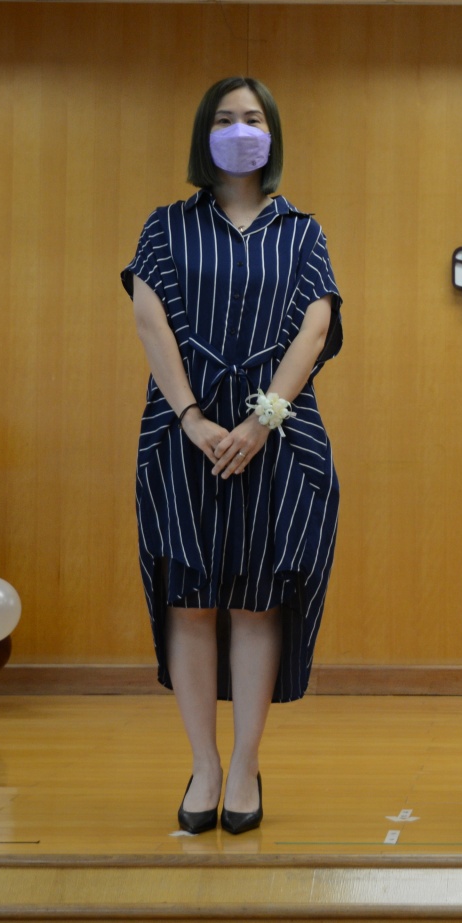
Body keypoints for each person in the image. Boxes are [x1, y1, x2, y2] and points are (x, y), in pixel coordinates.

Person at [123, 76, 342, 836]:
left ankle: (245, 764)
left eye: (252, 118)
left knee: (256, 599)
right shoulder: (165, 226)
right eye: (224, 118)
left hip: (278, 434)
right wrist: (192, 418)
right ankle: (204, 764)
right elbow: (150, 321)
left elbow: (315, 329)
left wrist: (260, 421)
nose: (239, 129)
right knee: (188, 598)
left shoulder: (302, 231)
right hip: (181, 432)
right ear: (203, 133)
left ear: (272, 134)